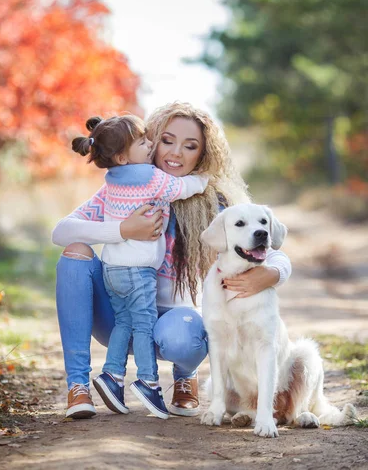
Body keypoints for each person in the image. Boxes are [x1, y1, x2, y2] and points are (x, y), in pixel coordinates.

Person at [52, 102, 292, 419]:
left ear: (203, 153)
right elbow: (61, 231)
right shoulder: (126, 188)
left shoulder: (217, 203)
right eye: (167, 141)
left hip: (174, 326)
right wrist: (122, 229)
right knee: (75, 253)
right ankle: (79, 387)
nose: (175, 153)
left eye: (189, 146)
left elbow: (273, 250)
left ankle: (184, 377)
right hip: (120, 314)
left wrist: (273, 274)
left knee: (184, 337)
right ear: (150, 141)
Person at [70, 114, 208, 420]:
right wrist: (207, 178)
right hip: (138, 271)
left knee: (125, 323)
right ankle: (148, 382)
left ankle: (112, 375)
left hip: (114, 270)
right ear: (122, 155)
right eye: (148, 141)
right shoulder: (150, 176)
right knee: (143, 325)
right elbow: (184, 188)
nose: (151, 145)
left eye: (189, 146)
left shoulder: (113, 179)